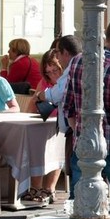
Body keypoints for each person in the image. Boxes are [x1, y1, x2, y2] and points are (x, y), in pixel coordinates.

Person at [65, 18, 110, 202]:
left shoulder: (77, 60)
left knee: (80, 203)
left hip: (84, 146)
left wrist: (79, 134)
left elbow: (69, 107)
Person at [36, 34, 82, 199]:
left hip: (75, 128)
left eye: (58, 54)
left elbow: (59, 93)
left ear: (65, 53)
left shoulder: (73, 68)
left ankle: (75, 201)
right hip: (73, 127)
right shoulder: (77, 66)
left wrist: (43, 95)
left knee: (77, 167)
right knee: (75, 167)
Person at [22, 48, 64, 204]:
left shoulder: (67, 81)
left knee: (57, 143)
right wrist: (35, 100)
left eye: (55, 71)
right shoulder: (44, 83)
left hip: (62, 127)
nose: (53, 75)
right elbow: (29, 111)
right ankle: (35, 187)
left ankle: (50, 188)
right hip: (46, 124)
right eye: (49, 72)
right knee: (36, 143)